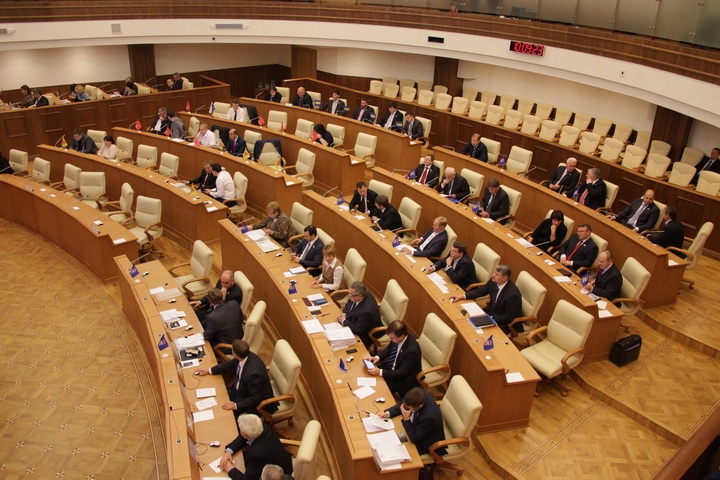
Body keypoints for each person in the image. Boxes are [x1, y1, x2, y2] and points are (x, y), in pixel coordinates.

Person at [195, 340, 277, 417]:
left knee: (227, 415)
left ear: (236, 354)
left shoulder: (253, 375)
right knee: (219, 397)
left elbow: (256, 398)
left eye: (232, 350)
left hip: (254, 403)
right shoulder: (244, 356)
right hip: (240, 391)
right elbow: (229, 364)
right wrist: (209, 370)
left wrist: (236, 406)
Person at [450, 265, 524, 335]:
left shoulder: (512, 295)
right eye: (494, 273)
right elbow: (481, 291)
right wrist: (463, 296)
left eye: (497, 275)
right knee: (466, 322)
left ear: (504, 278)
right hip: (491, 312)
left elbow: (508, 317)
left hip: (504, 323)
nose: (493, 275)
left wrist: (489, 318)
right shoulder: (494, 281)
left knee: (476, 333)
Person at [220, 414, 293, 480]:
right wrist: (228, 452)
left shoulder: (255, 455)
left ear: (245, 435)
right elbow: (243, 436)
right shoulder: (260, 426)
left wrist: (230, 468)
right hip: (281, 460)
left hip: (277, 475)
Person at [380, 388, 446, 456]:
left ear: (420, 406)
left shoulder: (429, 417)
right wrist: (388, 413)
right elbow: (403, 404)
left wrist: (406, 419)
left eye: (409, 408)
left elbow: (414, 438)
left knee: (393, 451)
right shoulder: (416, 392)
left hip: (427, 441)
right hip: (416, 427)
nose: (405, 407)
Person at [365, 320, 422, 397]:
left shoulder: (411, 351)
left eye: (392, 338)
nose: (391, 340)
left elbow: (401, 373)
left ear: (402, 336)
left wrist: (380, 372)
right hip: (392, 367)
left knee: (378, 390)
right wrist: (377, 357)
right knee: (369, 375)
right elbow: (389, 349)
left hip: (402, 379)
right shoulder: (397, 337)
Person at [336, 281, 382, 348]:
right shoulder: (356, 295)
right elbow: (349, 302)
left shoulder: (366, 311)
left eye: (351, 294)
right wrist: (344, 314)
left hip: (367, 334)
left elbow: (357, 330)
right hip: (356, 322)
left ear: (360, 296)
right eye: (349, 293)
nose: (349, 295)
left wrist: (343, 321)